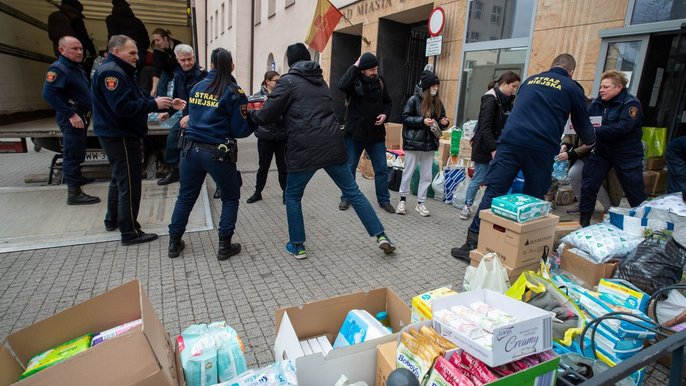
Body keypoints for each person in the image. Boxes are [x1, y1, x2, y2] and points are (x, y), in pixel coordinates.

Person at [249, 42, 396, 260]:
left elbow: (266, 115)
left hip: (305, 148)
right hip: (332, 144)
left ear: (290, 62)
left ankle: (297, 245)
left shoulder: (287, 81)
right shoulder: (320, 81)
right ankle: (381, 236)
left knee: (292, 195)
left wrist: (249, 115)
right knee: (353, 192)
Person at [451, 53, 596, 261]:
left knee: (495, 191)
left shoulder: (530, 81)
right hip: (541, 147)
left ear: (552, 65)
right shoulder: (572, 88)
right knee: (533, 197)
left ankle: (472, 243)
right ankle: (522, 252)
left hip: (510, 142)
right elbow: (582, 123)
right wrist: (591, 141)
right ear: (571, 71)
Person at [92, 35, 186, 246]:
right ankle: (130, 232)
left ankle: (113, 220)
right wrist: (154, 105)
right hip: (120, 135)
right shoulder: (112, 73)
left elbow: (139, 97)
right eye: (131, 53)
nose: (137, 57)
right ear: (117, 52)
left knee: (118, 179)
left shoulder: (121, 70)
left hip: (119, 133)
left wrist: (166, 103)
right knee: (130, 183)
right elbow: (123, 107)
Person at [168, 48, 252, 260]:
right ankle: (225, 246)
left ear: (212, 65)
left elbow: (193, 117)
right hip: (217, 153)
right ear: (231, 65)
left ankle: (174, 243)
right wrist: (253, 119)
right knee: (231, 197)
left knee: (186, 196)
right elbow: (239, 130)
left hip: (190, 149)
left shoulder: (197, 86)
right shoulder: (234, 92)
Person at [579, 70, 645, 227]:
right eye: (601, 86)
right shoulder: (597, 103)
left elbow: (624, 127)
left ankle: (645, 224)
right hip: (602, 151)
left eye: (606, 87)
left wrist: (595, 131)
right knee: (589, 184)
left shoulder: (630, 103)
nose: (601, 90)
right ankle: (584, 223)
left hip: (626, 153)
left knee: (634, 191)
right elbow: (587, 120)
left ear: (619, 87)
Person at [42, 36, 100, 205]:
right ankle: (74, 193)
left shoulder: (75, 67)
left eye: (81, 48)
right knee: (72, 154)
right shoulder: (59, 68)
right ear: (61, 50)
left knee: (78, 150)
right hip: (72, 118)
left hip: (80, 115)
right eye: (74, 49)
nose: (79, 52)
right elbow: (48, 94)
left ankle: (77, 178)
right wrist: (70, 114)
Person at [337, 52, 394, 213]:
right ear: (362, 70)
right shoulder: (353, 81)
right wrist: (355, 66)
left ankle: (384, 200)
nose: (375, 72)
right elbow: (341, 85)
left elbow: (388, 102)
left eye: (376, 68)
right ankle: (346, 197)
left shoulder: (380, 82)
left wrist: (385, 114)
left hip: (376, 134)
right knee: (350, 167)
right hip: (355, 133)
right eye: (371, 70)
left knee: (382, 169)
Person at [460, 71, 520, 220]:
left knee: (493, 180)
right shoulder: (490, 99)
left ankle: (486, 207)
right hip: (486, 146)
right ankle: (467, 206)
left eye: (516, 87)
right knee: (479, 177)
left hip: (500, 145)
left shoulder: (509, 100)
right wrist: (493, 148)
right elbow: (485, 126)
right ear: (504, 83)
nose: (514, 89)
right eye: (513, 86)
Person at [396, 71, 449, 217]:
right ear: (426, 86)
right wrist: (422, 121)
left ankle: (421, 203)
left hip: (429, 143)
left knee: (426, 175)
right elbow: (405, 118)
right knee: (408, 172)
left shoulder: (437, 102)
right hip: (413, 143)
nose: (436, 88)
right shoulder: (413, 100)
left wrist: (444, 122)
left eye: (437, 86)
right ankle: (402, 200)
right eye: (433, 85)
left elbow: (442, 119)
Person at [157, 44, 208, 186]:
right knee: (172, 142)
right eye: (183, 60)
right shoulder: (177, 75)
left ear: (194, 57)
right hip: (185, 118)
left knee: (208, 151)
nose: (187, 63)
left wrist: (192, 116)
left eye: (189, 59)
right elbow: (177, 101)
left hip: (203, 118)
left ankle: (218, 183)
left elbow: (209, 102)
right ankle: (174, 172)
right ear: (177, 59)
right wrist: (168, 112)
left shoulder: (203, 76)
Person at [245, 70, 288, 204]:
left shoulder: (282, 95)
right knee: (263, 167)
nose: (279, 83)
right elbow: (252, 114)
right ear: (267, 81)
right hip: (264, 137)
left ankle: (286, 193)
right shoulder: (257, 97)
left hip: (281, 137)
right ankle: (258, 192)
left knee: (283, 167)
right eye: (276, 80)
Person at [559, 135, 612, 214]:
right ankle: (583, 205)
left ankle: (609, 209)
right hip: (581, 155)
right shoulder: (573, 123)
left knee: (595, 180)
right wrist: (565, 144)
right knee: (573, 175)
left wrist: (571, 154)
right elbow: (569, 133)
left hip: (599, 153)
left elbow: (592, 142)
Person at [47, 0, 96, 75]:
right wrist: (92, 52)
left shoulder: (53, 16)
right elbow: (83, 37)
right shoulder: (75, 18)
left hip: (60, 51)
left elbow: (51, 36)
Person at [106, 0, 150, 73]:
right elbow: (147, 42)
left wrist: (109, 52)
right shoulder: (138, 21)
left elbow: (113, 37)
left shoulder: (112, 19)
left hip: (123, 56)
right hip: (141, 56)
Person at [150, 28, 182, 97]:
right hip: (166, 70)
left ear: (165, 38)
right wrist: (154, 88)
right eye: (154, 40)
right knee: (161, 85)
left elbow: (182, 61)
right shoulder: (157, 49)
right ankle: (163, 103)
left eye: (158, 40)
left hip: (179, 69)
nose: (156, 43)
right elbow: (157, 69)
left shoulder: (178, 45)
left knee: (179, 82)